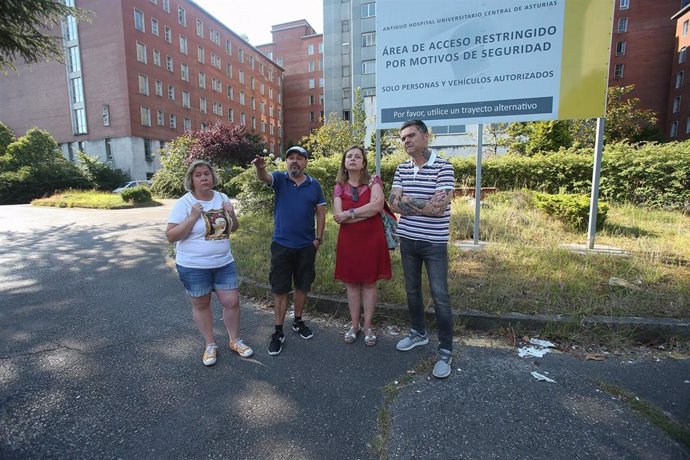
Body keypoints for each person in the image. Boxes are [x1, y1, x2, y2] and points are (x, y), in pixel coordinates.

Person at [166, 160, 253, 366]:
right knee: (201, 304)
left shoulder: (222, 197)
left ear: (213, 177)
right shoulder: (185, 203)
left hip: (223, 262)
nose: (204, 177)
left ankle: (234, 340)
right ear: (192, 180)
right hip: (193, 266)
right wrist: (193, 217)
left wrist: (231, 213)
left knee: (232, 301)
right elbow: (171, 236)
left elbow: (234, 228)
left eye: (207, 173)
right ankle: (210, 344)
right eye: (198, 175)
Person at [389, 119, 456, 379]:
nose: (406, 141)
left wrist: (407, 200)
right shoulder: (402, 168)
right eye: (403, 138)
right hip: (408, 240)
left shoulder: (444, 167)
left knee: (440, 295)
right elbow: (393, 204)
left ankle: (445, 350)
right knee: (412, 291)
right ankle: (418, 334)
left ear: (426, 137)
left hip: (434, 243)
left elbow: (438, 209)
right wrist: (419, 203)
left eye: (411, 136)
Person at [251, 146, 326, 356]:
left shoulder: (314, 185)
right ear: (286, 162)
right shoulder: (280, 179)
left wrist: (318, 239)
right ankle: (277, 331)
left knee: (302, 286)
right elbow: (264, 177)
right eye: (291, 158)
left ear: (306, 162)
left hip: (306, 246)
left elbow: (321, 212)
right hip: (282, 245)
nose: (295, 161)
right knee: (280, 289)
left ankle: (298, 321)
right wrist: (260, 168)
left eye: (299, 158)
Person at [333, 145, 392, 346]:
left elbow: (377, 207)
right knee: (351, 284)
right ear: (344, 162)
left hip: (372, 240)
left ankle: (368, 326)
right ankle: (354, 325)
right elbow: (337, 217)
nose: (353, 159)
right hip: (349, 242)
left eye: (357, 156)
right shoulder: (339, 186)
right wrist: (365, 213)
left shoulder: (374, 180)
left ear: (364, 162)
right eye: (349, 156)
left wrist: (350, 213)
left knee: (369, 283)